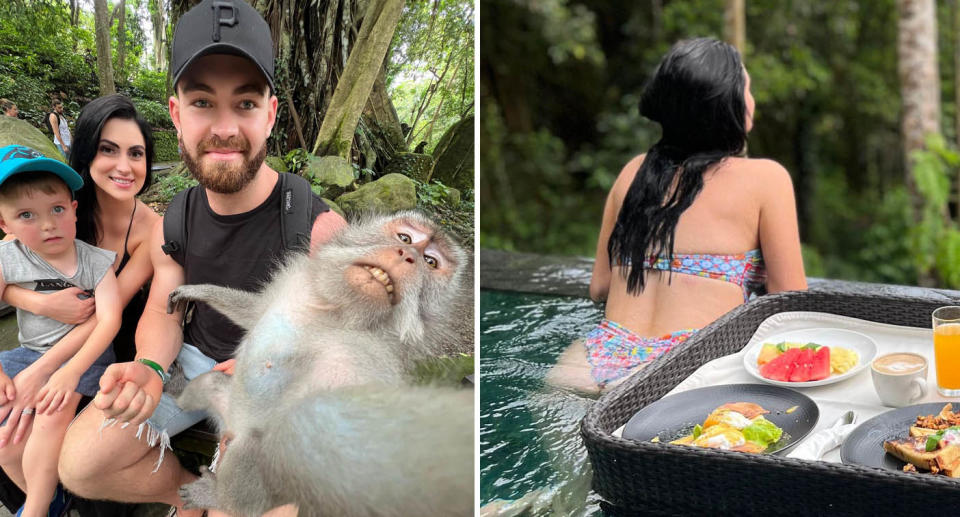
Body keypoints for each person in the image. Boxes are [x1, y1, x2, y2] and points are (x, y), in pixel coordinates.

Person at [58, 1, 348, 516]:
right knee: (81, 462)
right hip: (195, 364)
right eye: (201, 102)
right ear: (175, 115)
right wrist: (148, 364)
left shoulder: (315, 223)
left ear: (271, 113)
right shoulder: (179, 216)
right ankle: (190, 496)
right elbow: (164, 310)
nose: (224, 128)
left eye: (244, 104)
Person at [547, 37, 807, 395]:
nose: (752, 99)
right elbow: (790, 303)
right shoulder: (766, 179)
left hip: (589, 363)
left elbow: (600, 288)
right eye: (746, 88)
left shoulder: (632, 173)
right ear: (726, 105)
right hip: (685, 370)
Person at [0, 145, 121, 517]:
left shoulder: (94, 260)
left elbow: (109, 318)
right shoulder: (8, 257)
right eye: (26, 215)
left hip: (87, 357)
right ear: (4, 225)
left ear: (73, 209)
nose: (48, 224)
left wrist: (69, 371)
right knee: (7, 429)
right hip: (28, 352)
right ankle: (47, 499)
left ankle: (35, 509)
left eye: (56, 209)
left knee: (52, 410)